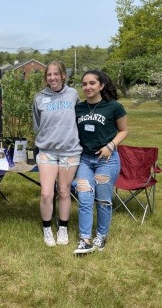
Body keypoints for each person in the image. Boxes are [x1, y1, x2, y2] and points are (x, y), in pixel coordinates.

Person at [73, 70, 127, 255]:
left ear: (101, 86)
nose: (87, 87)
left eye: (92, 83)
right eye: (84, 84)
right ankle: (85, 239)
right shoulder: (79, 108)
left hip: (106, 160)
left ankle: (102, 235)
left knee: (103, 200)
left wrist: (110, 146)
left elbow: (124, 131)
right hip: (85, 160)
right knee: (84, 198)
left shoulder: (114, 107)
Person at [32, 61, 82, 247]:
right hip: (47, 151)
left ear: (63, 76)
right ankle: (47, 229)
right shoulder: (39, 98)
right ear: (46, 78)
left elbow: (79, 118)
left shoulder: (73, 94)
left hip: (70, 151)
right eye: (49, 75)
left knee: (63, 191)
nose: (52, 78)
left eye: (56, 74)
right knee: (46, 193)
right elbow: (37, 124)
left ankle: (62, 228)